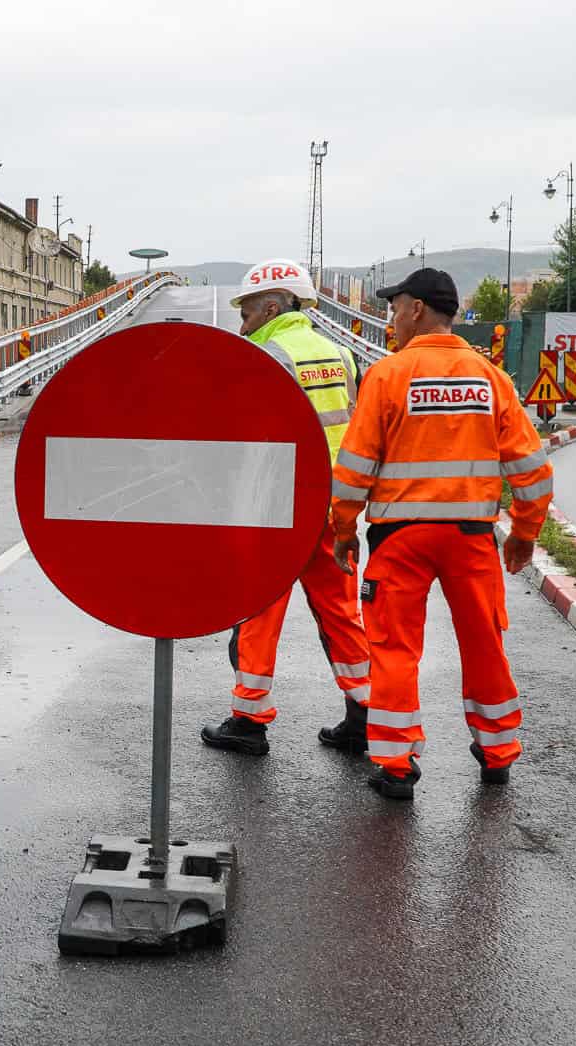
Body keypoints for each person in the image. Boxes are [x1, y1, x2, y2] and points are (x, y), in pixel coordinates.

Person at [329, 267, 553, 801]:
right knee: (484, 643)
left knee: (393, 649)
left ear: (417, 310)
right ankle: (497, 753)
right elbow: (531, 468)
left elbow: (354, 466)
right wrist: (524, 531)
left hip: (400, 538)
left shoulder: (387, 376)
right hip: (471, 536)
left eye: (394, 307)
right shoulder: (491, 378)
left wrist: (344, 529)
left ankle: (397, 763)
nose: (389, 318)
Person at [199, 259, 374, 759]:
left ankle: (249, 721)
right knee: (341, 612)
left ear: (273, 306)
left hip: (276, 508)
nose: (243, 323)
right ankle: (363, 715)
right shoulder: (341, 354)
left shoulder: (267, 356)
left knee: (258, 610)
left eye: (249, 311)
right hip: (332, 509)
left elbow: (243, 438)